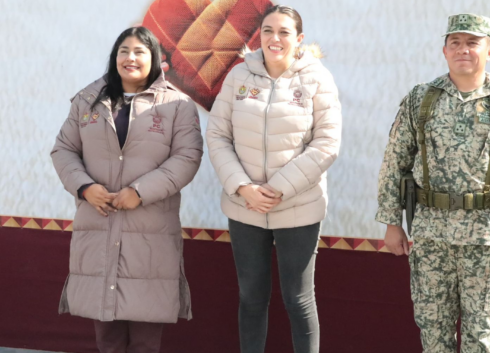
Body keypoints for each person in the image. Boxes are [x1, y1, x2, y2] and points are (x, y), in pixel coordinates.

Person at [375, 14, 490, 352]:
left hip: (486, 236)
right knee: (433, 331)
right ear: (444, 50)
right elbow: (395, 159)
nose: (463, 50)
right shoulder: (420, 99)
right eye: (455, 43)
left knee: (481, 336)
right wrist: (391, 221)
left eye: (472, 42)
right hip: (430, 235)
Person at [51, 27, 203, 353]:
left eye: (139, 52)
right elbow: (63, 150)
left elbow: (188, 158)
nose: (130, 58)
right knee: (107, 337)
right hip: (98, 228)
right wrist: (84, 187)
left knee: (146, 338)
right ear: (114, 56)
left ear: (156, 60)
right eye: (123, 51)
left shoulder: (178, 105)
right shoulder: (87, 100)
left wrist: (140, 191)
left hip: (150, 234)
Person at [206, 5, 341, 353]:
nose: (274, 38)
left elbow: (327, 143)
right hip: (244, 206)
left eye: (283, 32)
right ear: (259, 36)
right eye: (268, 31)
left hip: (298, 206)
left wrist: (277, 189)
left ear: (299, 39)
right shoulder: (239, 76)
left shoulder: (317, 78)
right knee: (251, 297)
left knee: (298, 300)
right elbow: (218, 135)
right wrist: (243, 188)